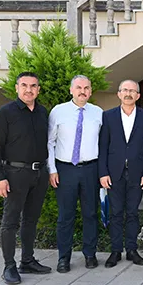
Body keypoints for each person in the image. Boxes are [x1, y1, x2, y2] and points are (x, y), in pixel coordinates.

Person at [0, 72, 51, 285]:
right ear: (16, 88)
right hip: (15, 174)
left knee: (31, 219)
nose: (29, 90)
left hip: (39, 174)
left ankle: (27, 260)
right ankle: (9, 266)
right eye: (24, 85)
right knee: (10, 221)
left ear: (38, 90)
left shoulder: (42, 112)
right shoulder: (5, 113)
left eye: (33, 86)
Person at [47, 75, 103, 273]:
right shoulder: (58, 111)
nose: (82, 91)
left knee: (90, 214)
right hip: (65, 170)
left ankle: (90, 254)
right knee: (66, 215)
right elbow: (50, 142)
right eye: (78, 87)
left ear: (91, 91)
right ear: (71, 90)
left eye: (86, 88)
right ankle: (63, 257)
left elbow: (103, 144)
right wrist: (52, 169)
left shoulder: (98, 113)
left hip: (91, 169)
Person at [99, 80, 143, 268]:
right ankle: (115, 251)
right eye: (125, 90)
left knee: (132, 213)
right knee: (115, 213)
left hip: (137, 174)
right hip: (113, 174)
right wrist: (103, 172)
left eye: (132, 91)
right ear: (119, 94)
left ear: (138, 95)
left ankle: (131, 249)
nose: (128, 93)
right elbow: (103, 147)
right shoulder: (108, 116)